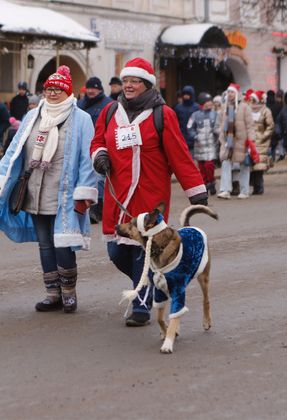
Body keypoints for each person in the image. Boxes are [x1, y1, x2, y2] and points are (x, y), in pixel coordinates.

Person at [90, 57, 208, 327]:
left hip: (150, 194)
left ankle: (141, 306)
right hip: (118, 194)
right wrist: (100, 156)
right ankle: (152, 283)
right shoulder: (110, 111)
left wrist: (196, 192)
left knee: (141, 251)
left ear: (147, 84)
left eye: (135, 81)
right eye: (126, 80)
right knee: (116, 252)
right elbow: (97, 141)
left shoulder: (162, 114)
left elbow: (179, 154)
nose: (128, 85)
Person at [0, 65, 97, 314]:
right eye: (49, 89)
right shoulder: (32, 115)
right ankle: (52, 293)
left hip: (65, 194)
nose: (53, 93)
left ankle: (69, 292)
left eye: (58, 89)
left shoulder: (81, 119)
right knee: (45, 244)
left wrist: (85, 192)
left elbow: (87, 159)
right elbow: (15, 148)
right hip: (35, 192)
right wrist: (2, 177)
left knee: (62, 244)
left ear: (68, 92)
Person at [77, 76, 114, 223]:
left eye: (94, 88)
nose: (91, 91)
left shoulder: (109, 104)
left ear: (100, 89)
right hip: (81, 145)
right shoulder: (80, 103)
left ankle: (97, 209)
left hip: (100, 145)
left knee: (98, 177)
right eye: (89, 88)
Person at [216, 83, 256, 199]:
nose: (230, 94)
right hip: (227, 142)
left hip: (242, 141)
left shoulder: (244, 107)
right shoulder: (224, 107)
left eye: (232, 92)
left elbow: (250, 125)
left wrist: (251, 140)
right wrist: (221, 136)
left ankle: (244, 191)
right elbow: (221, 124)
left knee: (244, 165)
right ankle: (225, 190)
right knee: (226, 163)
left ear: (237, 94)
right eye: (229, 92)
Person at [188, 94, 220, 195]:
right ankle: (205, 185)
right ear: (203, 103)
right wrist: (195, 136)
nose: (210, 103)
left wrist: (217, 133)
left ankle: (211, 181)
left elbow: (217, 126)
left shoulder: (215, 114)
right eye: (208, 101)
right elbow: (190, 127)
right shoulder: (195, 115)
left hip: (211, 144)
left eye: (210, 101)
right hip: (199, 145)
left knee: (209, 165)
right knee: (202, 167)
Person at [248, 90, 274, 195]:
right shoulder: (248, 109)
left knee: (259, 165)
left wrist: (263, 137)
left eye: (253, 100)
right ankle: (253, 185)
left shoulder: (265, 110)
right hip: (250, 140)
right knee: (251, 164)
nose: (251, 102)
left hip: (261, 141)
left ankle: (259, 186)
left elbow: (270, 126)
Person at [174, 85, 200, 156]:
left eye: (188, 94)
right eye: (184, 94)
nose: (186, 96)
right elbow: (175, 122)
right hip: (181, 137)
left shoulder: (197, 107)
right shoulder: (178, 107)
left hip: (193, 138)